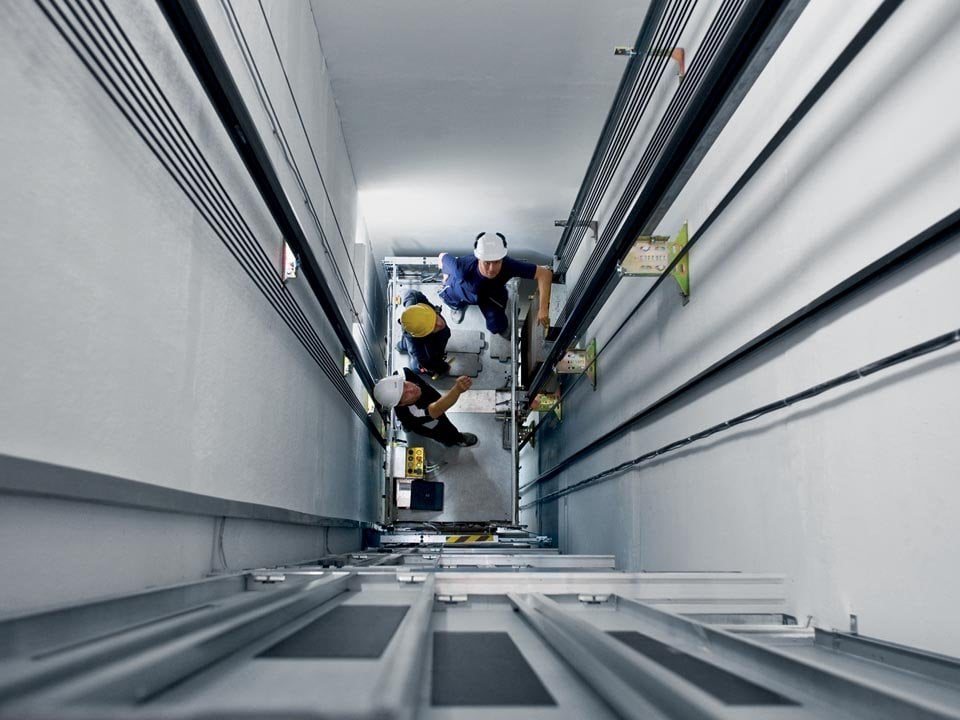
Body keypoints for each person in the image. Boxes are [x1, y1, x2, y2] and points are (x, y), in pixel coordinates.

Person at [438, 232, 553, 336]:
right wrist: (445, 274)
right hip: (461, 290)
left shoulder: (509, 265)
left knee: (497, 326)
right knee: (450, 299)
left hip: (491, 295)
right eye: (487, 263)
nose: (492, 269)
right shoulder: (462, 267)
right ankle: (457, 307)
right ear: (478, 258)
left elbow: (544, 274)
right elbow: (442, 256)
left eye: (497, 262)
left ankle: (498, 326)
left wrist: (543, 308)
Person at [373, 369, 478, 447]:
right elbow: (436, 409)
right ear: (401, 404)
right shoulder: (410, 414)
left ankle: (407, 427)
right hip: (425, 421)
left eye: (405, 385)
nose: (411, 389)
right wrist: (457, 390)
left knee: (409, 424)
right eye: (405, 395)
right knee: (443, 430)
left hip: (429, 399)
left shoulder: (403, 373)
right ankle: (456, 439)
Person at [396, 290, 451, 379]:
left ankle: (402, 345)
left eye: (434, 318)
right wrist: (443, 368)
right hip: (418, 345)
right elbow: (429, 364)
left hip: (413, 334)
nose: (440, 324)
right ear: (423, 335)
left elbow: (410, 293)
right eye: (433, 327)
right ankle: (402, 346)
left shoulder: (414, 298)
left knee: (409, 343)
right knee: (416, 366)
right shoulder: (422, 353)